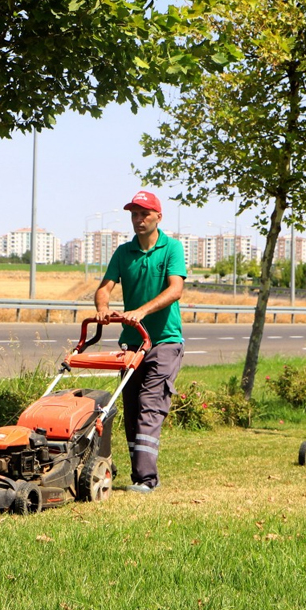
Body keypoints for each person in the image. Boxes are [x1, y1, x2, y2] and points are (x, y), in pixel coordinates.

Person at [94, 190, 186, 494]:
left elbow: (175, 289)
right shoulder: (123, 252)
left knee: (150, 404)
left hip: (164, 342)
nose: (138, 219)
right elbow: (104, 287)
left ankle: (147, 480)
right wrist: (103, 309)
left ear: (158, 216)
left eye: (144, 214)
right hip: (132, 344)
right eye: (134, 214)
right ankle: (138, 476)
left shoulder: (171, 248)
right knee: (131, 409)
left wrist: (142, 311)